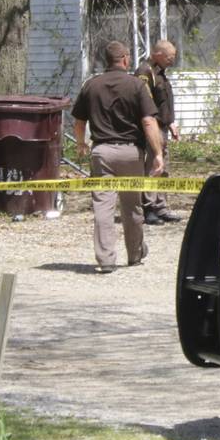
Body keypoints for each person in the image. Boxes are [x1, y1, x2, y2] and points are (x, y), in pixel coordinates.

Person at [73, 41, 165, 273]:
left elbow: (79, 121)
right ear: (124, 59)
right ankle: (134, 254)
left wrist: (82, 143)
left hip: (101, 152)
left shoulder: (91, 85)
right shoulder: (136, 85)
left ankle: (105, 260)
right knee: (132, 205)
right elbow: (148, 121)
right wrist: (157, 153)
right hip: (130, 153)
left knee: (103, 207)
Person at [134, 39, 181, 225]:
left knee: (163, 168)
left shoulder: (161, 72)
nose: (172, 60)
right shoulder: (145, 72)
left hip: (162, 126)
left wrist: (171, 124)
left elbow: (163, 103)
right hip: (152, 127)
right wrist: (153, 128)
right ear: (159, 54)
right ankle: (149, 207)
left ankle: (161, 206)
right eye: (170, 57)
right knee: (153, 166)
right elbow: (145, 104)